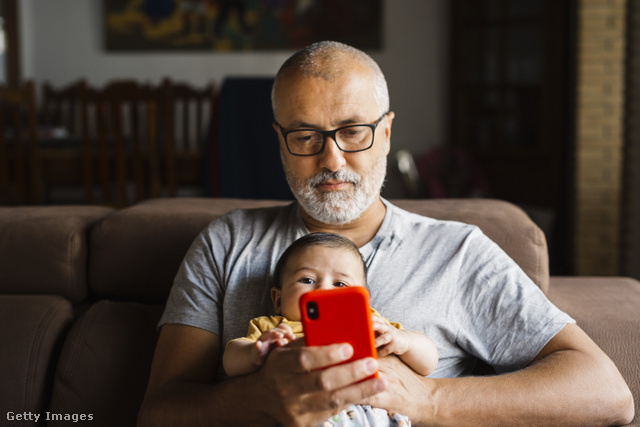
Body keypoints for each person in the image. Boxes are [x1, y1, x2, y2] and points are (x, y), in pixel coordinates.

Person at [138, 41, 634, 426]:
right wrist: (257, 398)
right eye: (305, 136)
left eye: (353, 131)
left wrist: (425, 398)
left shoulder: (456, 252)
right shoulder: (226, 242)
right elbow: (157, 414)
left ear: (387, 131)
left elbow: (605, 392)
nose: (331, 160)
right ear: (279, 143)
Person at [223, 232, 438, 426]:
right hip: (304, 412)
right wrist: (255, 352)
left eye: (340, 284)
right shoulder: (275, 327)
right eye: (307, 280)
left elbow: (429, 362)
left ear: (363, 298)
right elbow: (231, 361)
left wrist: (405, 341)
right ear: (278, 299)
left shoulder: (372, 322)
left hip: (372, 411)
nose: (324, 289)